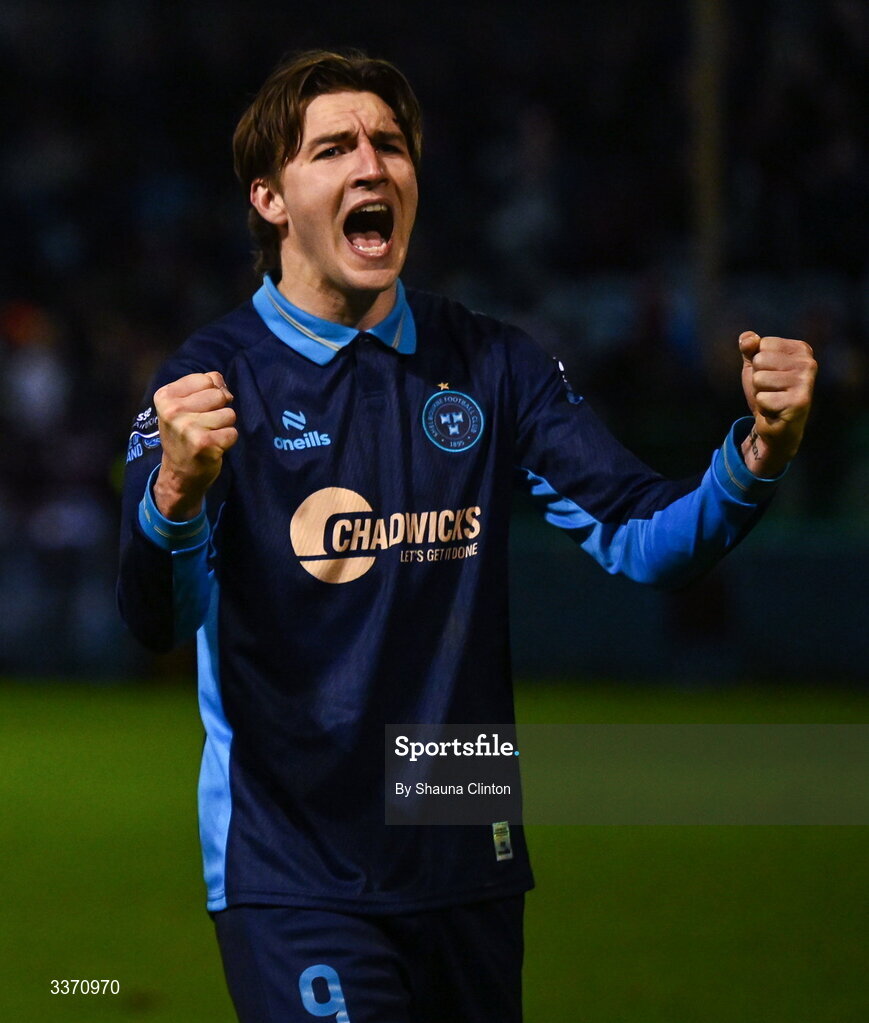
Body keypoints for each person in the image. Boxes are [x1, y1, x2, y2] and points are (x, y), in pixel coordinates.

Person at [118, 49, 817, 1023]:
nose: (372, 164)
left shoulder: (490, 362)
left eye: (389, 145)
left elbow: (646, 538)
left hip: (466, 843)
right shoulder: (207, 383)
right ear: (272, 200)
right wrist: (177, 493)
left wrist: (756, 453)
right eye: (334, 149)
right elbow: (155, 618)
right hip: (296, 866)